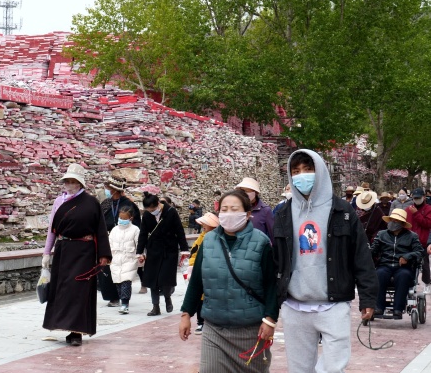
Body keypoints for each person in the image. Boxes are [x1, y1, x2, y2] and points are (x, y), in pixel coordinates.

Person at [273, 149, 377, 373]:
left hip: (333, 303)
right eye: (296, 171)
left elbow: (361, 256)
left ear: (319, 171)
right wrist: (270, 306)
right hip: (295, 305)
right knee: (299, 369)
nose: (302, 175)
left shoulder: (343, 211)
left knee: (333, 368)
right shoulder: (282, 213)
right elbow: (276, 260)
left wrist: (368, 298)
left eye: (308, 169)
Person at [179, 190, 277, 373]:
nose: (229, 214)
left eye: (234, 209)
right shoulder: (208, 241)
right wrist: (186, 314)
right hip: (215, 329)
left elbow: (271, 285)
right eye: (224, 209)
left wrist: (270, 319)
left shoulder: (261, 242)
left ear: (248, 214)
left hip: (251, 330)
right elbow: (197, 282)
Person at [42, 164, 111, 346]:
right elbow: (52, 229)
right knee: (62, 290)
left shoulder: (91, 203)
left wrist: (103, 254)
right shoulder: (59, 202)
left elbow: (100, 230)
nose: (70, 185)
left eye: (74, 182)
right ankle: (61, 324)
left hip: (84, 252)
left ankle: (76, 332)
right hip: (63, 250)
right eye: (67, 181)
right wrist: (47, 252)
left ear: (80, 184)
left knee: (79, 291)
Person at [137, 192, 188, 316]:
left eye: (153, 209)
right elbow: (143, 233)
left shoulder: (171, 212)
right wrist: (140, 251)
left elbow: (179, 231)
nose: (151, 211)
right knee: (152, 279)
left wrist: (184, 249)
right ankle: (155, 307)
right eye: (148, 210)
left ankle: (167, 298)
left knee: (166, 279)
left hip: (169, 249)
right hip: (153, 249)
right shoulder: (147, 215)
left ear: (158, 204)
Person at [370, 209, 424, 319]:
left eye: (396, 221)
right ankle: (378, 307)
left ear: (402, 224)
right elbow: (373, 250)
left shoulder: (412, 236)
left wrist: (407, 256)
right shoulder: (382, 234)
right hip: (385, 264)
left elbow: (420, 252)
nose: (393, 222)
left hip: (403, 267)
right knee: (379, 274)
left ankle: (398, 309)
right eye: (391, 220)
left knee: (403, 276)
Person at [99, 176, 142, 304]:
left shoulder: (129, 205)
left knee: (123, 272)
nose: (106, 189)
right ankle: (112, 296)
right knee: (108, 269)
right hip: (108, 241)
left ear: (114, 189)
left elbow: (137, 225)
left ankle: (123, 298)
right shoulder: (106, 204)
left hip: (125, 241)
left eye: (109, 187)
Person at [187, 212, 220, 335]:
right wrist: (191, 266)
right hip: (200, 271)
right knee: (199, 298)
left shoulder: (217, 237)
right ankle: (200, 322)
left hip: (212, 272)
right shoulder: (202, 236)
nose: (203, 225)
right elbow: (194, 252)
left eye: (206, 224)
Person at [108, 206, 140, 314]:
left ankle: (125, 304)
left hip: (129, 259)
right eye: (120, 217)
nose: (122, 220)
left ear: (130, 218)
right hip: (116, 259)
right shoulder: (114, 230)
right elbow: (110, 244)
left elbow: (139, 244)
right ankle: (122, 300)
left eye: (124, 218)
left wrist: (140, 255)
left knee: (126, 281)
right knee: (118, 282)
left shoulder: (135, 230)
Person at [405, 188, 431, 292]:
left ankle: (427, 283)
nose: (416, 200)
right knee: (409, 263)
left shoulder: (429, 209)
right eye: (415, 198)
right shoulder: (408, 209)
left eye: (418, 198)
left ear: (424, 197)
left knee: (424, 263)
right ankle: (411, 282)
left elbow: (428, 224)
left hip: (423, 241)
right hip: (408, 241)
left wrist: (416, 214)